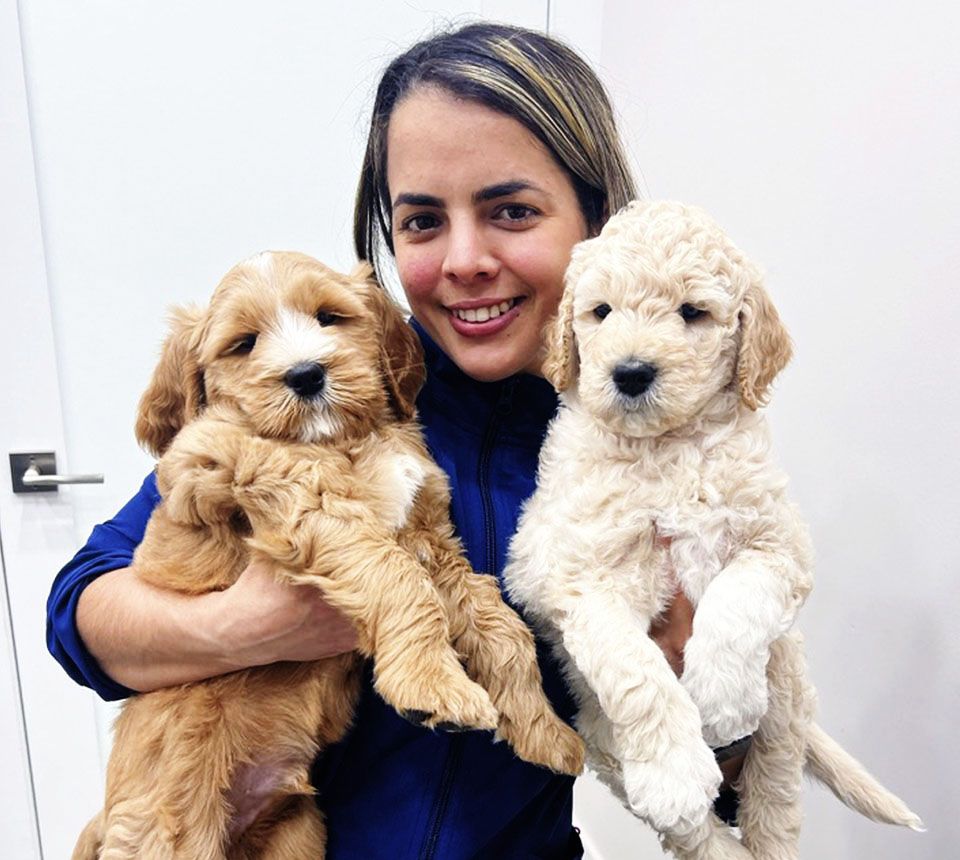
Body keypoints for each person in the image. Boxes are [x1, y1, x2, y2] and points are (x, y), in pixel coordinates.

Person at [47, 22, 740, 859]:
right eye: (421, 221)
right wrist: (249, 626)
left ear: (598, 219)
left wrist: (705, 683)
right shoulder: (336, 397)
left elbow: (727, 768)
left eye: (512, 211)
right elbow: (79, 613)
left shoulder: (655, 431)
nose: (464, 259)